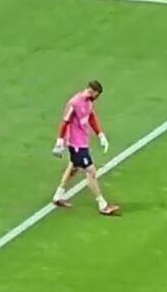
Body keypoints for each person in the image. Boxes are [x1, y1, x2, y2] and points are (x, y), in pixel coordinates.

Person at [51, 80, 120, 216]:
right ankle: (102, 204)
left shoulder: (88, 102)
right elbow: (65, 122)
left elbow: (91, 117)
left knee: (74, 167)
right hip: (75, 144)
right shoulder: (74, 103)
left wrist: (100, 134)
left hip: (83, 143)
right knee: (91, 172)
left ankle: (58, 196)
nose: (97, 98)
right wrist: (60, 141)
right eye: (97, 95)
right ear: (92, 91)